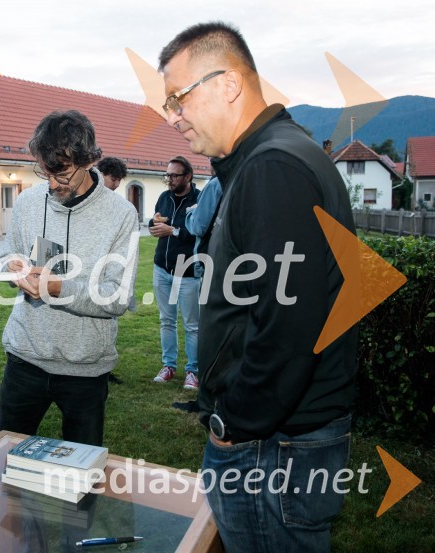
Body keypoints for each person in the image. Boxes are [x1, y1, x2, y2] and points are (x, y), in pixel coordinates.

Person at [159, 22, 357, 552]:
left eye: (178, 98)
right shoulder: (270, 157)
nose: (172, 116)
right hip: (280, 434)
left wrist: (234, 422)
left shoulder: (273, 166)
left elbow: (289, 326)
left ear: (228, 84)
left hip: (273, 441)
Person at [0, 110, 139, 446]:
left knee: (82, 468)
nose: (52, 184)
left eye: (61, 173)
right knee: (6, 457)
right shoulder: (27, 202)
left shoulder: (121, 215)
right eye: (45, 173)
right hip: (24, 358)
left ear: (90, 160)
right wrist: (15, 270)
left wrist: (57, 288)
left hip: (85, 369)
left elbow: (117, 296)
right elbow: (8, 256)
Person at [148, 155, 200, 390]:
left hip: (187, 270)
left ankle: (193, 371)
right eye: (167, 175)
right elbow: (156, 224)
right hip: (162, 268)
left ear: (187, 176)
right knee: (166, 320)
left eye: (174, 175)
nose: (169, 179)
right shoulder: (164, 196)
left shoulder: (199, 199)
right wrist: (154, 224)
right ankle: (168, 366)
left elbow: (201, 231)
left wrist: (173, 231)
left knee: (191, 325)